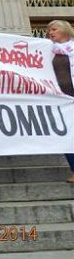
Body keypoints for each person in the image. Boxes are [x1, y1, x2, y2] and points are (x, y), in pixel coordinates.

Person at [46, 20, 74, 183]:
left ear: (65, 30)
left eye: (54, 29)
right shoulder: (47, 50)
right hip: (61, 99)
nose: (50, 32)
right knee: (67, 136)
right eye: (49, 30)